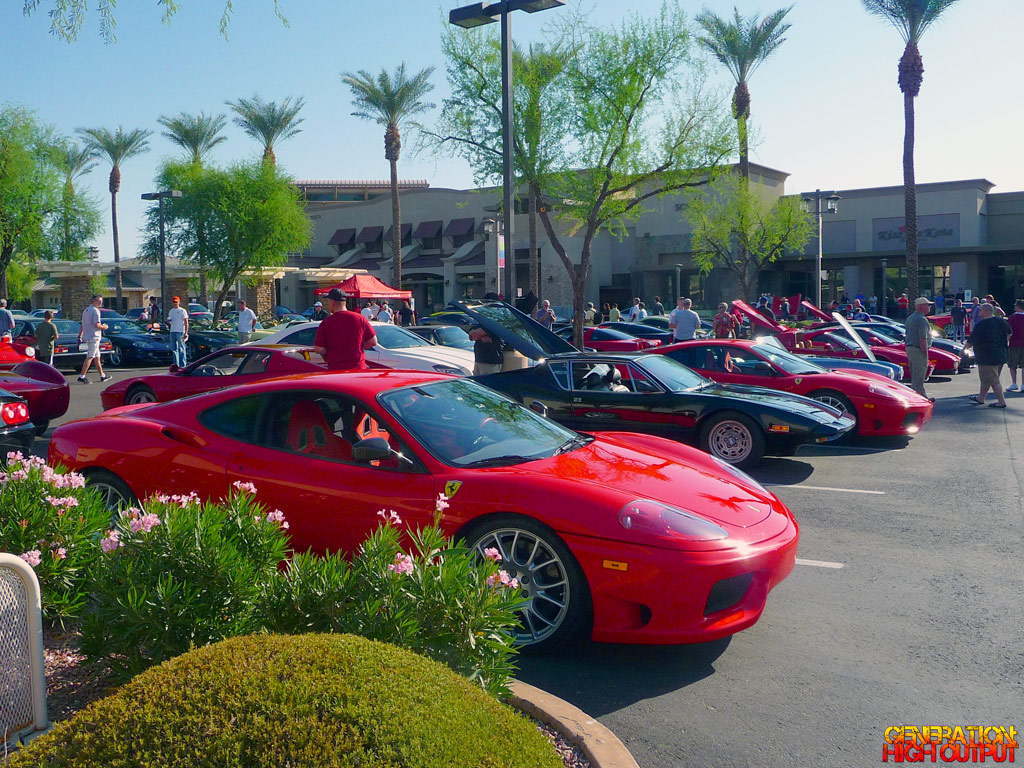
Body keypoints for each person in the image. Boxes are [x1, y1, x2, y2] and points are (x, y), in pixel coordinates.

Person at [313, 288, 377, 370]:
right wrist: (358, 346)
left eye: (328, 302)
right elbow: (373, 341)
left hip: (337, 371)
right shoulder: (359, 318)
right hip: (358, 369)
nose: (328, 305)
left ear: (332, 302)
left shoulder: (326, 323)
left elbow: (319, 349)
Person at [965, 303, 1009, 407]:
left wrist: (964, 349)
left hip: (986, 356)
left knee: (993, 380)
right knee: (987, 378)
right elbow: (1009, 334)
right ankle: (981, 398)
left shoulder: (982, 324)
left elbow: (972, 340)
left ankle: (1001, 402)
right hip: (1000, 354)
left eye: (980, 310)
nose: (979, 312)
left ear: (986, 311)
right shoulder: (1002, 321)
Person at [904, 297, 934, 401]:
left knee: (915, 374)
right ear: (921, 307)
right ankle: (921, 398)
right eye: (927, 305)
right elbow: (922, 338)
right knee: (919, 375)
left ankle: (918, 396)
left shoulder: (910, 318)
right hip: (918, 349)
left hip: (910, 348)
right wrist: (925, 353)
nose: (929, 307)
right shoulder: (922, 319)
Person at [77, 294, 111, 383]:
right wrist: (104, 327)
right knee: (90, 356)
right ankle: (82, 376)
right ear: (93, 301)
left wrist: (80, 336)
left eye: (101, 301)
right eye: (98, 301)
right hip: (93, 337)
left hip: (88, 336)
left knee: (97, 357)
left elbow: (82, 324)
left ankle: (102, 375)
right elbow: (97, 325)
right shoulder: (95, 311)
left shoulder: (86, 310)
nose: (100, 303)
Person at [1005, 299, 1024, 392]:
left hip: (1014, 344)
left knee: (1012, 365)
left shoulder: (1012, 318)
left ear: (1018, 307)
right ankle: (1023, 385)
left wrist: (1005, 342)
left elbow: (1008, 331)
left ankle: (1014, 383)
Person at [166, 296, 190, 368]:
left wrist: (186, 332)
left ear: (179, 302)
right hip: (173, 331)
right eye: (174, 302)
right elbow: (169, 320)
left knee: (181, 348)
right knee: (174, 349)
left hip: (180, 331)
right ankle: (176, 365)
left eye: (176, 302)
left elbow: (186, 322)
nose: (175, 303)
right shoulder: (171, 311)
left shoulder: (182, 310)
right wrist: (168, 322)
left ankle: (183, 365)